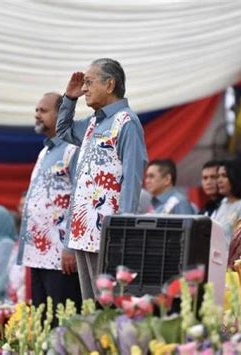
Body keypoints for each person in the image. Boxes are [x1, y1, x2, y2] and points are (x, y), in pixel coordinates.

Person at [57, 58, 147, 299]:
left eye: (89, 82)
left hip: (108, 232)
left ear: (110, 85)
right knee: (91, 306)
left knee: (111, 305)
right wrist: (69, 98)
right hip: (82, 230)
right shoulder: (92, 123)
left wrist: (124, 228)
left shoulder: (126, 121)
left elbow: (132, 177)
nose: (84, 88)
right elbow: (63, 131)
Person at [17, 92, 81, 309]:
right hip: (37, 254)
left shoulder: (74, 150)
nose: (37, 115)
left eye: (43, 110)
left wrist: (70, 247)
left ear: (62, 113)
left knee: (60, 322)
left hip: (60, 256)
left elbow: (79, 199)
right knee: (41, 323)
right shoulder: (44, 152)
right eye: (36, 110)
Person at [211, 159, 241, 246]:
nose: (219, 180)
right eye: (218, 176)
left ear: (235, 177)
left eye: (224, 176)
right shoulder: (223, 203)